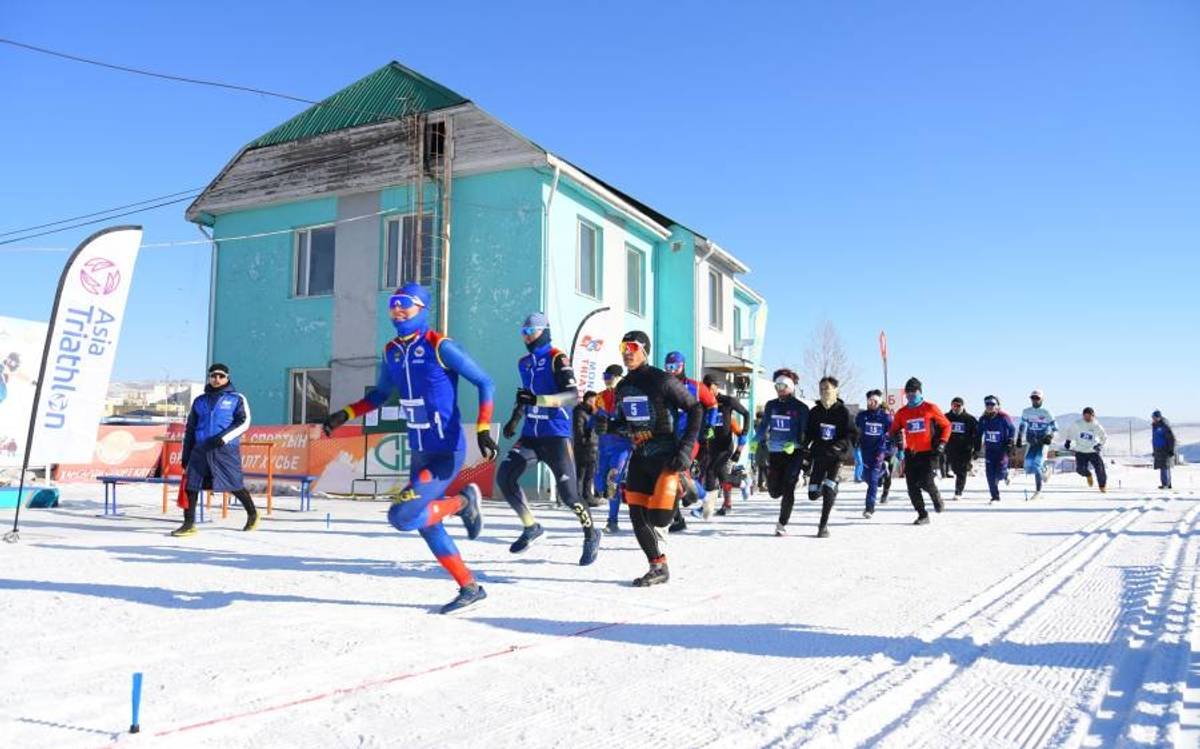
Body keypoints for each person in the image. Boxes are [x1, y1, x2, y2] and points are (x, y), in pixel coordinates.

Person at [323, 283, 497, 614]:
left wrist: (484, 428)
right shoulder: (391, 351)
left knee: (402, 516)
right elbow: (378, 396)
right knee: (425, 522)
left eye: (405, 304)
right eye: (393, 305)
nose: (398, 310)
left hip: (445, 452)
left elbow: (486, 382)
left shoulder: (440, 346)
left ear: (422, 308)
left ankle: (462, 502)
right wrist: (342, 415)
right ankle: (470, 587)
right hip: (419, 451)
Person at [497, 313, 601, 565]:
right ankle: (531, 526)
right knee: (505, 476)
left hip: (556, 436)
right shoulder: (524, 362)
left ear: (543, 331)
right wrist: (515, 417)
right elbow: (526, 395)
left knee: (569, 496)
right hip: (531, 436)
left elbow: (571, 396)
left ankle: (591, 534)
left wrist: (537, 401)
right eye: (523, 332)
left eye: (531, 330)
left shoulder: (557, 357)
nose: (527, 336)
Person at [608, 331, 703, 586]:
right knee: (638, 518)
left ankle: (683, 483)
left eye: (632, 347)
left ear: (645, 350)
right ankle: (658, 566)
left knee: (659, 519)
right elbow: (619, 421)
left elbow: (696, 408)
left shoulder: (662, 379)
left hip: (666, 458)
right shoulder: (622, 386)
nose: (627, 352)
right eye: (623, 347)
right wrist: (617, 427)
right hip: (639, 456)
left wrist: (685, 449)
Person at [172, 363, 258, 537]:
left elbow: (243, 422)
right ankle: (188, 524)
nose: (217, 379)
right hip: (200, 449)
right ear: (209, 378)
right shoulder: (200, 400)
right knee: (191, 486)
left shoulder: (236, 398)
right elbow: (190, 428)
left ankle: (253, 514)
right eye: (213, 376)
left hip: (224, 449)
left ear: (227, 378)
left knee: (234, 485)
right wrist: (186, 453)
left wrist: (223, 438)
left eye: (221, 376)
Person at [662, 351, 717, 530]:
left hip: (690, 437)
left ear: (683, 366)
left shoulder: (696, 387)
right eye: (668, 368)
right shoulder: (663, 386)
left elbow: (713, 405)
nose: (671, 371)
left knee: (679, 473)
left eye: (675, 367)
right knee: (668, 475)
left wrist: (709, 426)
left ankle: (705, 496)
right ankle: (677, 519)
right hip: (668, 437)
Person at [888, 377, 951, 525]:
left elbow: (947, 426)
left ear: (920, 392)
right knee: (911, 487)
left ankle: (936, 497)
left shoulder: (930, 408)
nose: (910, 395)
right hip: (911, 453)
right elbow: (894, 430)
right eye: (908, 393)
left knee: (926, 481)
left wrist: (942, 443)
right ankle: (922, 514)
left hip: (928, 452)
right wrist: (899, 445)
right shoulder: (902, 412)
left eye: (914, 392)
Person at [799, 376, 856, 538]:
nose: (824, 392)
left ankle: (823, 526)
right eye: (822, 389)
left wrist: (840, 446)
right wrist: (805, 449)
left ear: (835, 390)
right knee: (812, 494)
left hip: (836, 457)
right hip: (819, 455)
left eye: (827, 388)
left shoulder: (842, 411)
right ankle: (828, 488)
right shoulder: (815, 412)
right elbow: (809, 433)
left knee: (829, 489)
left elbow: (852, 434)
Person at [757, 369, 810, 535]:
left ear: (792, 387)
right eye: (777, 385)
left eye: (784, 385)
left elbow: (806, 433)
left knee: (788, 487)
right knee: (773, 492)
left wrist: (796, 444)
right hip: (775, 452)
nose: (780, 389)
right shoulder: (771, 405)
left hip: (794, 453)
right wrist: (754, 441)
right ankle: (796, 480)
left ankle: (782, 524)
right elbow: (764, 427)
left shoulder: (801, 408)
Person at [703, 374, 750, 516]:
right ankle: (742, 484)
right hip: (712, 445)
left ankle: (707, 507)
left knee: (710, 472)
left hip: (725, 446)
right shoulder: (704, 403)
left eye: (710, 387)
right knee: (723, 477)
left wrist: (743, 437)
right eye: (705, 388)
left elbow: (746, 414)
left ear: (716, 386)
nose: (708, 391)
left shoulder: (727, 401)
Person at [594, 364, 633, 534]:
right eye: (604, 376)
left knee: (612, 481)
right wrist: (595, 424)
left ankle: (613, 520)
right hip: (604, 446)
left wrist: (616, 427)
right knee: (599, 483)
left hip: (621, 446)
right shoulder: (599, 397)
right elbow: (595, 419)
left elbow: (633, 423)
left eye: (609, 377)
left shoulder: (627, 396)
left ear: (619, 377)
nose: (606, 380)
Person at [855, 389, 893, 518]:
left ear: (879, 402)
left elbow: (893, 431)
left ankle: (869, 508)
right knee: (866, 477)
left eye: (874, 401)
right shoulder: (862, 416)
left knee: (872, 480)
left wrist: (891, 447)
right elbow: (855, 430)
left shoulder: (885, 417)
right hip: (866, 450)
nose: (871, 403)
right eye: (869, 400)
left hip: (879, 450)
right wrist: (855, 441)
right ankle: (883, 470)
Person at [1017, 389, 1058, 499]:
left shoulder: (1046, 412)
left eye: (1037, 398)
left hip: (1042, 442)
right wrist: (1019, 437)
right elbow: (1022, 424)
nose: (1035, 400)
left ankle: (1038, 491)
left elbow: (1055, 427)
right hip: (1031, 441)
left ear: (1042, 399)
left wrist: (1050, 436)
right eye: (1033, 398)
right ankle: (1045, 471)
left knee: (1036, 465)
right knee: (1028, 466)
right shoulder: (1026, 411)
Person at [975, 395, 1016, 503]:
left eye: (992, 404)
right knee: (990, 475)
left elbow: (1012, 429)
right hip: (990, 450)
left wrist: (1011, 441)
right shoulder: (983, 419)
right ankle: (995, 496)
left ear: (997, 405)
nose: (989, 406)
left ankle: (1006, 474)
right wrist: (976, 449)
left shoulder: (1003, 417)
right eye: (987, 404)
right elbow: (979, 434)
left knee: (1000, 474)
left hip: (1002, 450)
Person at [1063, 407, 1107, 492]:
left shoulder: (1096, 426)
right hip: (1080, 450)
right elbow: (1070, 431)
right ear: (1083, 416)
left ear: (1093, 416)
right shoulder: (1078, 424)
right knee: (1080, 469)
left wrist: (1099, 445)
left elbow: (1104, 437)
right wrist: (1068, 441)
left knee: (1100, 469)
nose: (1087, 418)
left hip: (1093, 451)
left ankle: (1102, 486)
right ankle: (1088, 475)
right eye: (1085, 416)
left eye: (1089, 416)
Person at [945, 397, 979, 500]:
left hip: (965, 449)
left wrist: (976, 449)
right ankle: (967, 467)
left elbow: (977, 435)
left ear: (963, 406)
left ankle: (958, 491)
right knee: (955, 468)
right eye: (954, 405)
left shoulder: (970, 419)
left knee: (961, 471)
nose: (956, 408)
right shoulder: (946, 417)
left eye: (958, 406)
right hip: (951, 448)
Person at [574, 391, 600, 506]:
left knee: (590, 473)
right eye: (592, 400)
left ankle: (587, 496)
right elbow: (578, 429)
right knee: (581, 473)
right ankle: (577, 497)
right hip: (584, 447)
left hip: (593, 446)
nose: (594, 403)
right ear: (587, 400)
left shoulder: (592, 413)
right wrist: (585, 441)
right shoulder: (580, 412)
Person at [1151, 410, 1176, 489]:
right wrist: (1154, 451)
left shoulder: (1164, 426)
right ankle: (1166, 483)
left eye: (1154, 417)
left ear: (1158, 417)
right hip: (1158, 449)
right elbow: (1155, 439)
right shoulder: (1155, 426)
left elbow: (1171, 438)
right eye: (1152, 417)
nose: (1153, 419)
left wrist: (1171, 449)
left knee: (1165, 466)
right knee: (1163, 466)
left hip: (1165, 449)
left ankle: (1166, 484)